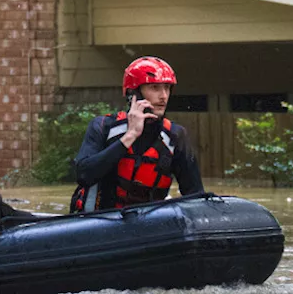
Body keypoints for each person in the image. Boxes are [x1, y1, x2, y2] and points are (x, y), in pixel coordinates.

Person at [69, 56, 204, 213]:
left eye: (167, 88)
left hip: (145, 228)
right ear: (134, 94)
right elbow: (84, 175)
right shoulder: (102, 126)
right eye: (154, 88)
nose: (163, 96)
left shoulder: (176, 136)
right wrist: (130, 135)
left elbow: (196, 197)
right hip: (99, 224)